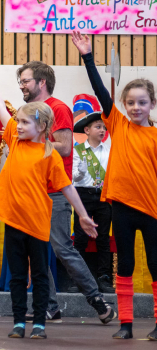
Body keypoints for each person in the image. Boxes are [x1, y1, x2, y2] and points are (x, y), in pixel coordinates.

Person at [0, 59, 98, 340]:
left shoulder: (48, 154)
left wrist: (82, 215)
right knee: (19, 275)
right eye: (17, 122)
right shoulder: (14, 141)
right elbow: (0, 108)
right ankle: (19, 321)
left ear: (42, 126)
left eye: (24, 122)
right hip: (14, 221)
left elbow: (67, 187)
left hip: (38, 223)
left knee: (41, 274)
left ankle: (40, 323)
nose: (17, 126)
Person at [71, 31, 157, 340]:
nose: (135, 107)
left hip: (151, 211)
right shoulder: (118, 124)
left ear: (152, 104)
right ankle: (126, 324)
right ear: (123, 105)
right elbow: (99, 90)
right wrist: (87, 57)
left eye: (142, 103)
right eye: (130, 102)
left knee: (156, 265)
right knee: (125, 266)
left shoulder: (155, 136)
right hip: (121, 207)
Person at [16, 60, 116, 324]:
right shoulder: (29, 111)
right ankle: (50, 306)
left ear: (41, 82)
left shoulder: (57, 108)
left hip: (54, 193)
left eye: (25, 81)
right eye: (20, 81)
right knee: (36, 252)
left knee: (63, 248)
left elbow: (65, 147)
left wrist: (32, 141)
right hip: (33, 193)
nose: (21, 85)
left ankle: (98, 301)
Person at [69, 112, 114, 294]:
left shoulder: (109, 151)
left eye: (104, 127)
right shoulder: (78, 151)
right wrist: (80, 172)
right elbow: (74, 178)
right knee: (80, 238)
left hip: (103, 197)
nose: (102, 130)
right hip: (83, 196)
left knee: (103, 238)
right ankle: (78, 279)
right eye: (98, 127)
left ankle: (104, 278)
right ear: (87, 130)